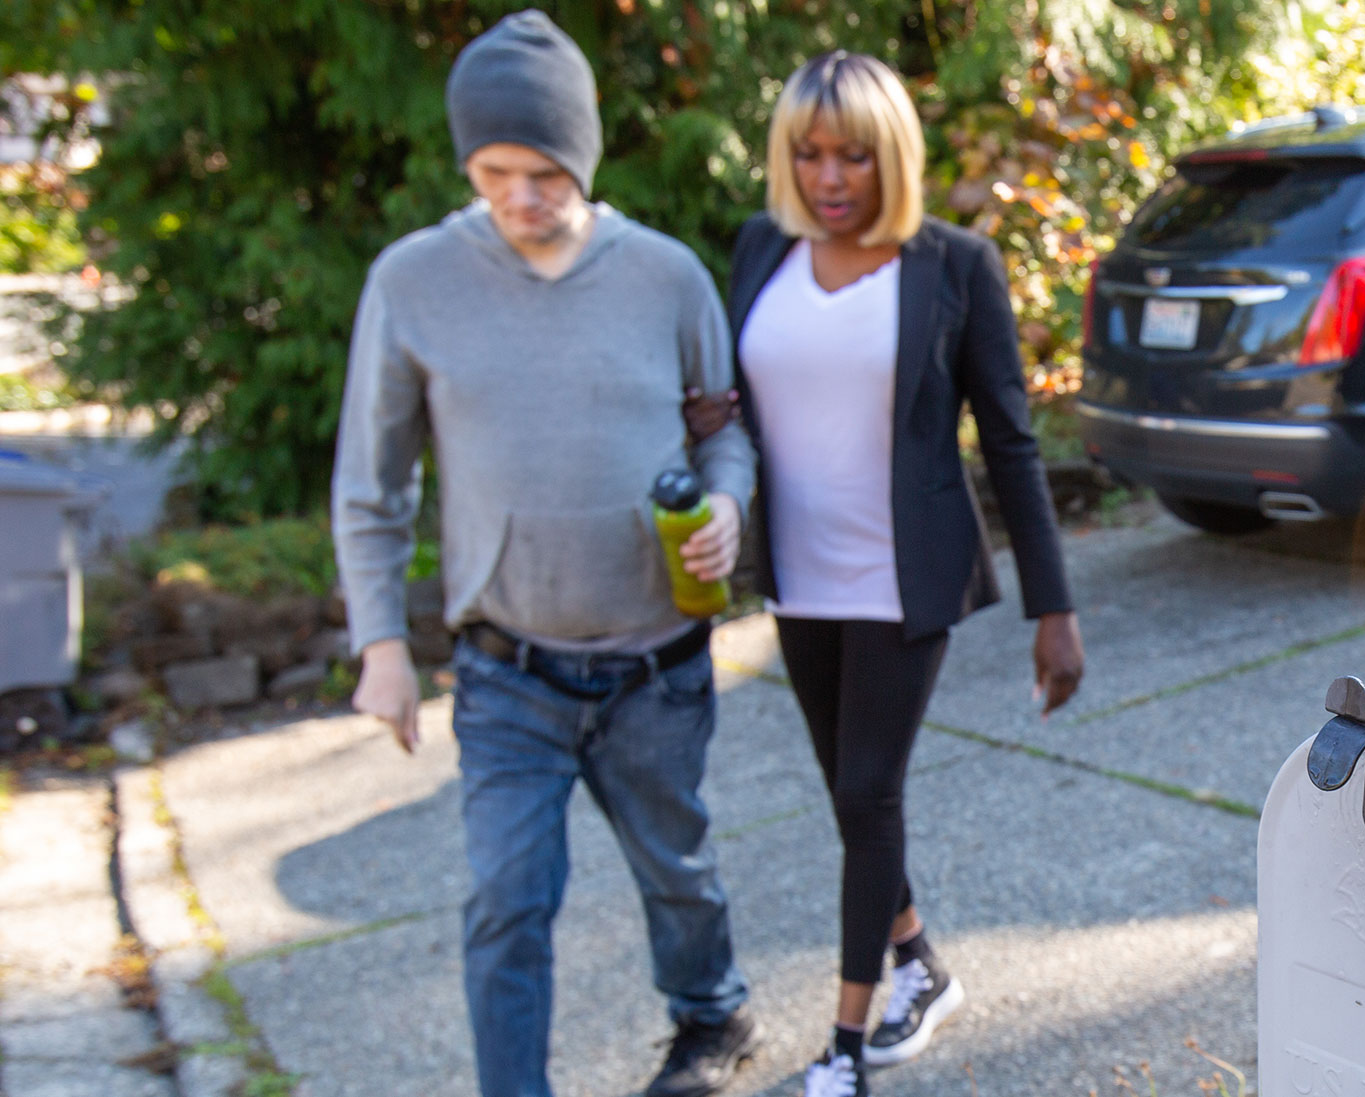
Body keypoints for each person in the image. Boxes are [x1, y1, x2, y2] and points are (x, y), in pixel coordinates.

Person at [331, 12, 762, 1097]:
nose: (521, 197)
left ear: (586, 154)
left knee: (677, 870)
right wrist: (381, 644)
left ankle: (712, 1014)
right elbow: (372, 485)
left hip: (657, 665)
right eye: (494, 173)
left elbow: (724, 432)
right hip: (507, 669)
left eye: (545, 172)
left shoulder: (665, 276)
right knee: (505, 901)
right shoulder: (413, 281)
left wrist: (728, 501)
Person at [694, 50, 1085, 1097]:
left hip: (901, 577)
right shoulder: (761, 249)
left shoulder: (954, 264)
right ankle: (920, 963)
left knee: (869, 791)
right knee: (849, 795)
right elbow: (741, 400)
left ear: (892, 155)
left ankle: (842, 1045)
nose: (829, 178)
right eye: (809, 154)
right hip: (799, 575)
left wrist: (1054, 607)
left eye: (854, 156)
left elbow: (1010, 441)